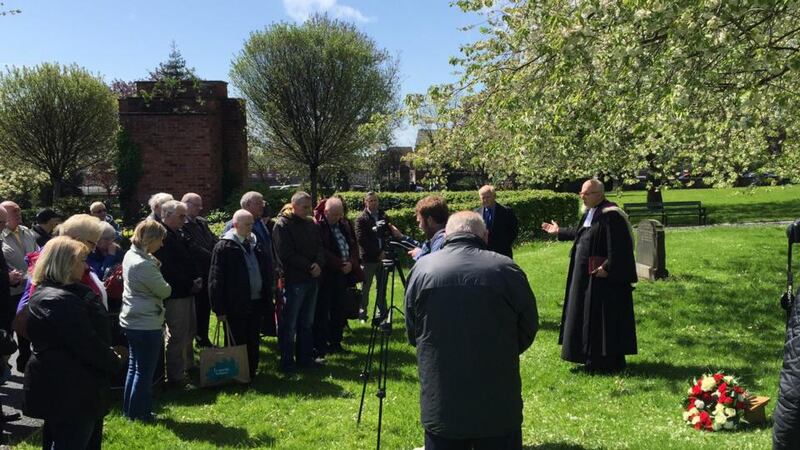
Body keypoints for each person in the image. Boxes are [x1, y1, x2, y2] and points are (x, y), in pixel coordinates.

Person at [405, 211, 538, 450]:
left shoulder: (422, 269)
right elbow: (527, 327)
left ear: (447, 236)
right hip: (496, 398)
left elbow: (413, 329)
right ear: (485, 236)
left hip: (442, 395)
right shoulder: (506, 269)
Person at [24, 236, 121, 449]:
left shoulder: (61, 293)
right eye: (80, 261)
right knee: (72, 441)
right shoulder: (57, 300)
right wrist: (113, 360)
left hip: (75, 385)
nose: (86, 266)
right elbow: (86, 343)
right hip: (71, 389)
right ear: (65, 265)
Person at [541, 178, 637, 372]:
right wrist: (559, 231)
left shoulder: (611, 215)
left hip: (603, 279)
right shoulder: (590, 212)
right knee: (584, 315)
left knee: (601, 319)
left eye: (586, 193)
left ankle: (605, 362)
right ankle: (587, 356)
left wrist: (608, 267)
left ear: (599, 194)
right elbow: (581, 234)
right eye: (581, 193)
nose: (582, 196)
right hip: (585, 277)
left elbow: (621, 247)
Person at [209, 210, 274, 379]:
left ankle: (251, 371)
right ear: (236, 225)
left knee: (253, 338)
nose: (251, 227)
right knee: (238, 339)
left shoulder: (254, 243)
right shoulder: (224, 247)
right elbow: (216, 279)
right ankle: (236, 373)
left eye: (252, 224)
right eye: (247, 224)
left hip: (256, 300)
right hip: (235, 304)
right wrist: (219, 308)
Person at [119, 219, 171, 423]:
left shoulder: (131, 255)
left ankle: (130, 411)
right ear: (151, 239)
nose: (162, 244)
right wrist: (156, 268)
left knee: (134, 367)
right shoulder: (143, 264)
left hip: (133, 318)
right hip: (145, 322)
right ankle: (141, 413)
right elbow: (165, 290)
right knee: (144, 371)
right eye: (161, 240)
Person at [272, 191, 324, 375]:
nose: (308, 210)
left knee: (306, 323)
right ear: (293, 205)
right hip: (294, 281)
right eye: (304, 207)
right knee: (289, 324)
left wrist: (318, 263)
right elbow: (285, 254)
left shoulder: (311, 224)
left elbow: (320, 246)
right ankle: (287, 362)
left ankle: (305, 358)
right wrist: (309, 266)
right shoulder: (282, 225)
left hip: (311, 280)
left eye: (309, 206)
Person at [153, 200, 201, 388]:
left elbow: (189, 258)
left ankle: (188, 366)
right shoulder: (163, 236)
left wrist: (196, 278)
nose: (184, 220)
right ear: (167, 215)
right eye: (181, 216)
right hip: (175, 293)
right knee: (177, 334)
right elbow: (169, 269)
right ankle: (175, 376)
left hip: (187, 290)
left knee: (189, 331)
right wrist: (190, 282)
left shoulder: (178, 232)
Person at [313, 197, 362, 357]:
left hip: (343, 274)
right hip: (327, 275)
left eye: (339, 214)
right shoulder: (319, 226)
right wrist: (341, 264)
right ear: (326, 212)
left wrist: (352, 264)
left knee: (339, 309)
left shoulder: (344, 224)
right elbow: (322, 251)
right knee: (323, 310)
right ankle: (321, 345)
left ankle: (336, 342)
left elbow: (353, 245)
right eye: (334, 215)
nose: (337, 218)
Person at [223, 191, 276, 335]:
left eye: (262, 203)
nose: (262, 206)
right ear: (247, 205)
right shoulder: (233, 226)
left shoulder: (260, 223)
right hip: (243, 287)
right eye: (259, 203)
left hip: (262, 276)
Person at [1, 200, 38, 371]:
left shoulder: (27, 232)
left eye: (19, 210)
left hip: (28, 290)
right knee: (7, 330)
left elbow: (37, 254)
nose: (19, 213)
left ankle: (24, 365)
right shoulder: (1, 235)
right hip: (8, 293)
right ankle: (4, 363)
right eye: (14, 211)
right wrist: (8, 275)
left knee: (26, 331)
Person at [181, 193, 218, 348]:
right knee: (195, 309)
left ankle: (203, 338)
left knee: (205, 307)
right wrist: (213, 257)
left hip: (207, 271)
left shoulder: (201, 222)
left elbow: (213, 239)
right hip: (196, 272)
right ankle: (195, 338)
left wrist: (217, 251)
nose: (200, 209)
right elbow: (193, 248)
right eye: (197, 205)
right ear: (186, 204)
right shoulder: (182, 224)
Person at [354, 192, 390, 320]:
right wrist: (377, 252)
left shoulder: (383, 216)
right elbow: (362, 240)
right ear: (366, 202)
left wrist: (384, 251)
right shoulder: (361, 219)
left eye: (375, 200)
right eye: (371, 201)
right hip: (368, 259)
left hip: (383, 258)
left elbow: (387, 235)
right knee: (365, 289)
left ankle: (382, 314)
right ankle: (362, 314)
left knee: (382, 287)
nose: (373, 203)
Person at [475, 185, 519, 258]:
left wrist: (505, 244)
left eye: (488, 197)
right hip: (483, 253)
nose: (485, 200)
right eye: (483, 198)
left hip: (503, 252)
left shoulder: (506, 212)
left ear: (494, 196)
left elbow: (513, 231)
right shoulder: (476, 213)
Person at [408, 195, 448, 261]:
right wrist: (401, 237)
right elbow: (425, 248)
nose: (419, 226)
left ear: (430, 220)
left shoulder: (441, 241)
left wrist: (418, 255)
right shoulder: (442, 237)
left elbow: (432, 266)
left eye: (420, 222)